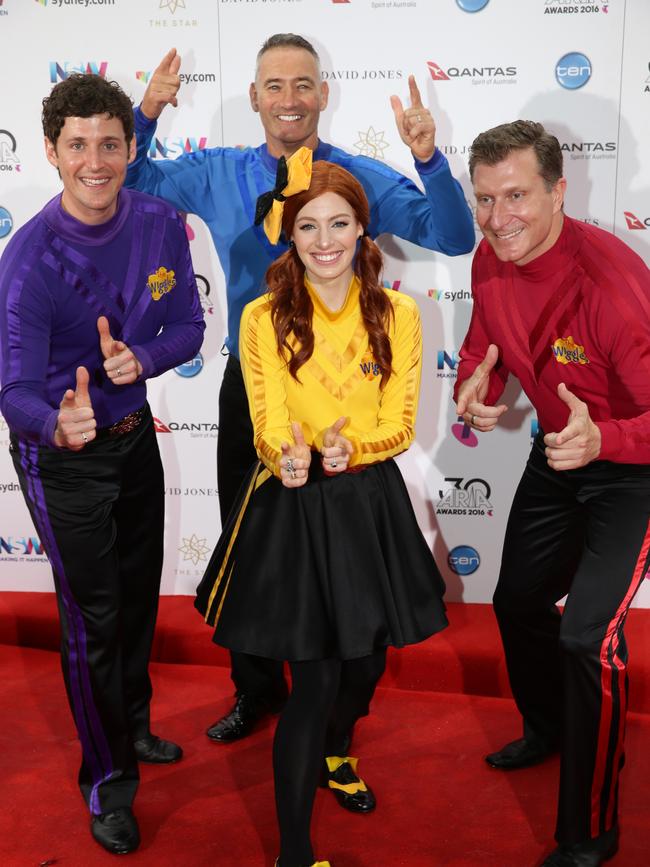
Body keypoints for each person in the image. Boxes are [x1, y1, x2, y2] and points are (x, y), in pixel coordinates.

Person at [125, 32, 474, 768]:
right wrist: (146, 114)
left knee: (339, 559)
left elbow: (451, 232)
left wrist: (429, 160)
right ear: (254, 97)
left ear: (323, 93)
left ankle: (336, 697)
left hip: (344, 395)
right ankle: (256, 689)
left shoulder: (357, 177)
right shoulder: (217, 171)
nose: (289, 99)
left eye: (303, 84)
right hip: (253, 386)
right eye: (274, 86)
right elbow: (133, 184)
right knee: (254, 549)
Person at [195, 154, 448, 867]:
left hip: (368, 500)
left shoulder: (400, 312)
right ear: (291, 233)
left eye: (339, 222)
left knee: (364, 668)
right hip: (293, 504)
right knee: (315, 678)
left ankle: (340, 749)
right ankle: (295, 854)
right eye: (309, 225)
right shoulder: (261, 316)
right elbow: (267, 416)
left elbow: (402, 421)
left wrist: (352, 449)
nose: (326, 238)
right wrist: (290, 456)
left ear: (363, 227)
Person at [0, 74, 205, 856]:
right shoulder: (27, 263)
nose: (96, 161)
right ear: (51, 152)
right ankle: (107, 782)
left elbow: (187, 325)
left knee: (138, 602)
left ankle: (136, 725)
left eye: (110, 144)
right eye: (78, 145)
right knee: (94, 620)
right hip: (63, 460)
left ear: (130, 147)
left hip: (133, 437)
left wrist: (141, 360)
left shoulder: (158, 221)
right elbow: (13, 388)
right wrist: (57, 421)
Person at [454, 120, 650, 867]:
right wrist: (481, 379)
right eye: (485, 199)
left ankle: (591, 831)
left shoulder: (613, 286)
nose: (499, 218)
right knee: (516, 602)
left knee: (588, 638)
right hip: (560, 453)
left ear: (558, 191)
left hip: (632, 466)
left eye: (516, 197)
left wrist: (609, 442)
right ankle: (552, 729)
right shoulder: (488, 256)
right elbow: (487, 339)